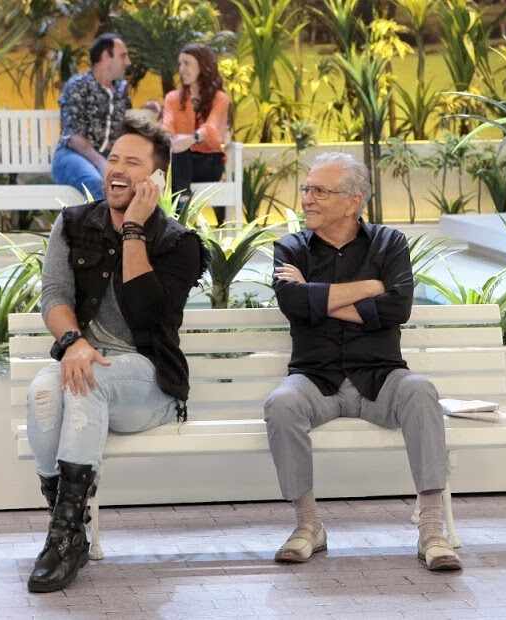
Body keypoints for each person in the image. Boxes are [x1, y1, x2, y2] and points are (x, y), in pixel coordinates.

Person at [25, 113, 208, 593]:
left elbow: (148, 313)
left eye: (133, 162)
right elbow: (54, 296)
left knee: (91, 380)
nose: (117, 169)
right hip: (81, 359)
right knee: (43, 394)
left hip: (148, 382)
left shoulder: (179, 244)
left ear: (156, 179)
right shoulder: (72, 225)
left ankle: (65, 539)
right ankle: (68, 530)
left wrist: (134, 231)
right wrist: (73, 343)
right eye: (112, 158)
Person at [263, 152, 461, 572]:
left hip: (381, 377)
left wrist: (320, 298)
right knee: (281, 404)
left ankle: (431, 528)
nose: (308, 199)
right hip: (315, 380)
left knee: (421, 392)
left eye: (319, 190)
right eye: (306, 189)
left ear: (353, 201)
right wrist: (367, 287)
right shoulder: (290, 246)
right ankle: (308, 526)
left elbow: (396, 308)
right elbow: (292, 302)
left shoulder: (389, 243)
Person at [52, 33, 132, 199]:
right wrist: (102, 163)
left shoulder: (121, 90)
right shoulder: (78, 86)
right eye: (123, 56)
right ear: (105, 57)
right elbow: (74, 137)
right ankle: (107, 226)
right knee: (98, 183)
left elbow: (127, 130)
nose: (128, 62)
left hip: (108, 159)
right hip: (72, 155)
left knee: (144, 182)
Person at [162, 43, 231, 224]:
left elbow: (212, 129)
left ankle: (180, 215)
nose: (181, 69)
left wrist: (191, 139)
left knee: (180, 152)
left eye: (187, 63)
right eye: (180, 64)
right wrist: (175, 140)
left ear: (203, 66)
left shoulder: (220, 99)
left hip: (209, 163)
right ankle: (182, 207)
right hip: (180, 163)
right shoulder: (172, 98)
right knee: (179, 153)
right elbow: (166, 128)